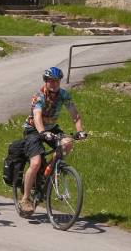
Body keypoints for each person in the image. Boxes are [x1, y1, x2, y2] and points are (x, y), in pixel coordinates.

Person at [16, 66, 84, 216]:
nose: (54, 84)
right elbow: (37, 116)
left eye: (57, 81)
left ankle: (50, 170)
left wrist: (80, 131)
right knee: (35, 162)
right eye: (51, 81)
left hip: (51, 128)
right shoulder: (39, 96)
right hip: (34, 129)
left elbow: (75, 115)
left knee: (67, 142)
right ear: (46, 81)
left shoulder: (63, 95)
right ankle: (25, 199)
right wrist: (42, 132)